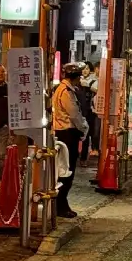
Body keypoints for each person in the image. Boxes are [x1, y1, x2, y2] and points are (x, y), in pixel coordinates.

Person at [50, 65, 89, 219]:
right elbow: (74, 114)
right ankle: (61, 204)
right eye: (79, 77)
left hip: (63, 132)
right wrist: (83, 128)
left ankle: (61, 203)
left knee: (64, 168)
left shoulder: (62, 89)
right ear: (75, 77)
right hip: (67, 133)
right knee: (67, 169)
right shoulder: (66, 92)